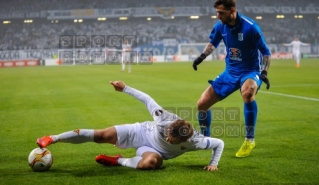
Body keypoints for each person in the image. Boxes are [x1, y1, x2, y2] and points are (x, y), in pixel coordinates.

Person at [36, 80, 224, 171]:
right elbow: (147, 99)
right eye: (167, 134)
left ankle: (117, 160)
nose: (167, 137)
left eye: (171, 139)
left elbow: (219, 143)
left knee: (150, 164)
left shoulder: (197, 141)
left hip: (154, 152)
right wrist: (125, 88)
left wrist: (213, 164)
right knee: (102, 135)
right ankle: (52, 138)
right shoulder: (164, 119)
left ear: (184, 140)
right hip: (141, 132)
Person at [192, 0, 271, 158]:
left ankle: (249, 139)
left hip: (250, 71)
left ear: (232, 10)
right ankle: (205, 139)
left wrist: (264, 72)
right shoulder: (220, 26)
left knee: (248, 93)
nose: (218, 16)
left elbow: (265, 52)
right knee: (202, 104)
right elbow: (212, 43)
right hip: (230, 72)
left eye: (221, 12)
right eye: (217, 12)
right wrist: (201, 57)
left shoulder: (251, 27)